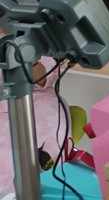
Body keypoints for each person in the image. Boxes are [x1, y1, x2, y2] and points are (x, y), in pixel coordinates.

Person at [0, 57, 69, 197]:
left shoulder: (32, 43)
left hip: (34, 101)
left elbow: (42, 79)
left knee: (16, 158)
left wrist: (26, 57)